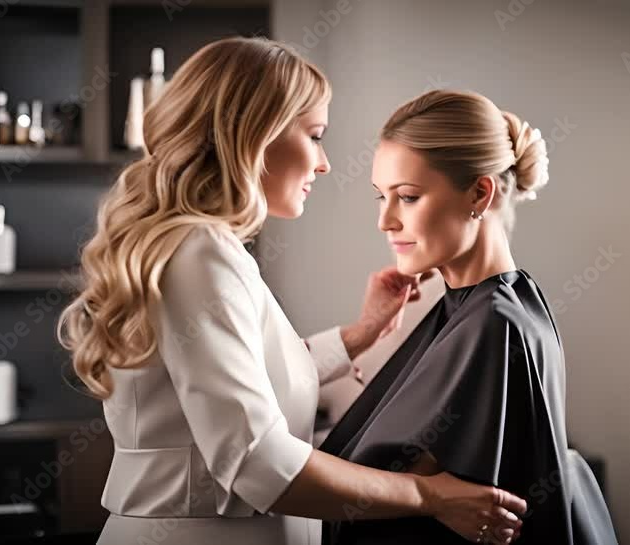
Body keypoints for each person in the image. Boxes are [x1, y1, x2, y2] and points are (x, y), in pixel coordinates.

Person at [56, 38, 525, 545]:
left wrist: (359, 335)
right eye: (315, 135)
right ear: (255, 133)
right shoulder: (200, 255)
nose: (323, 163)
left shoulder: (204, 249)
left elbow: (243, 380)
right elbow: (256, 462)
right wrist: (429, 495)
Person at [320, 90, 619, 544]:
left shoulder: (495, 325)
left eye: (408, 197)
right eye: (381, 197)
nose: (386, 221)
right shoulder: (500, 302)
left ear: (480, 192)